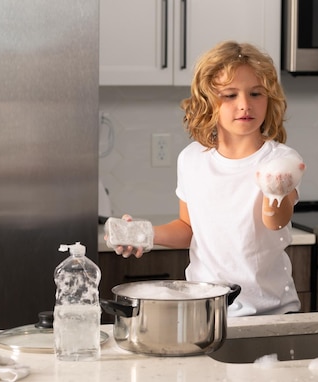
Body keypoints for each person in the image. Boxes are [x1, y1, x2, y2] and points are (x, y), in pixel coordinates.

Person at [110, 41, 305, 316]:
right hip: (207, 312)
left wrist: (275, 191)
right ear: (207, 102)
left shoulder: (279, 160)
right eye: (230, 95)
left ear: (269, 98)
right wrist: (144, 234)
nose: (245, 105)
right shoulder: (192, 159)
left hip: (271, 312)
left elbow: (276, 222)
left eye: (256, 94)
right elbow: (188, 228)